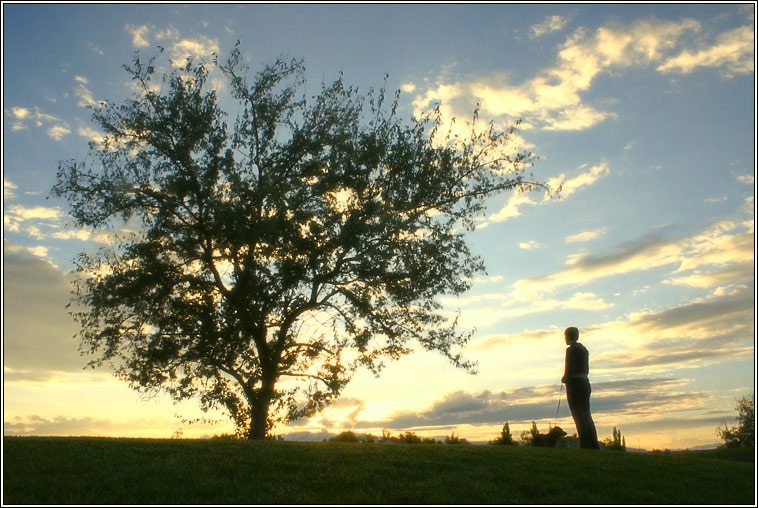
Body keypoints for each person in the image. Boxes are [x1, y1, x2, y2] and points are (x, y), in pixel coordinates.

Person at [561, 326, 600, 449]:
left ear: (568, 337)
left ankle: (585, 443)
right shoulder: (584, 349)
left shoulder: (571, 350)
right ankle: (593, 443)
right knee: (586, 414)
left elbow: (569, 368)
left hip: (575, 384)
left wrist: (565, 378)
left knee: (577, 414)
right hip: (585, 383)